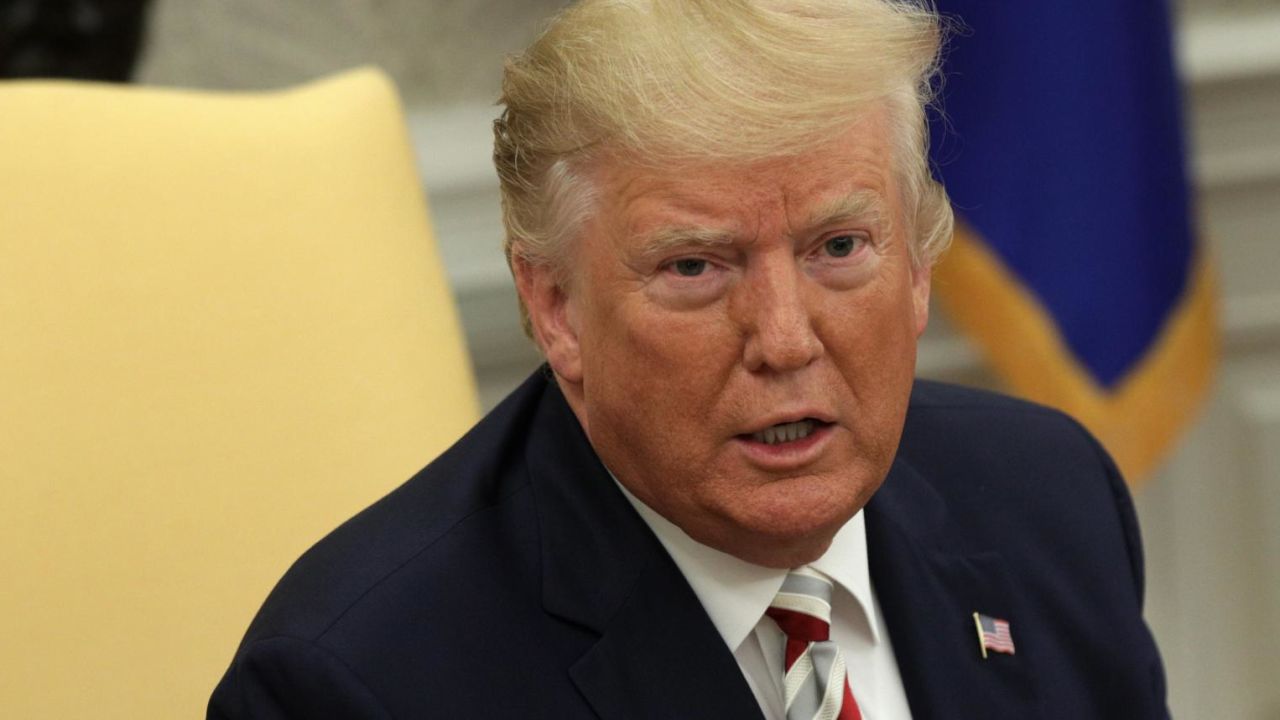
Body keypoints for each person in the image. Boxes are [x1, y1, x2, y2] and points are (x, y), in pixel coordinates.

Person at [209, 1, 1170, 718]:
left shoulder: (1050, 501)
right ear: (555, 308)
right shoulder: (358, 684)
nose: (787, 339)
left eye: (839, 247)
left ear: (918, 264)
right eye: (696, 267)